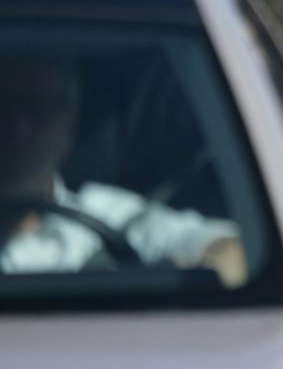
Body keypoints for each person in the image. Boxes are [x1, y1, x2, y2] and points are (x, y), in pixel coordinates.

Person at [0, 51, 246, 283]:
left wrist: (183, 278)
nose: (17, 129)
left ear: (68, 124)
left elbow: (235, 252)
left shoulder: (107, 216)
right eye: (4, 107)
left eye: (38, 108)